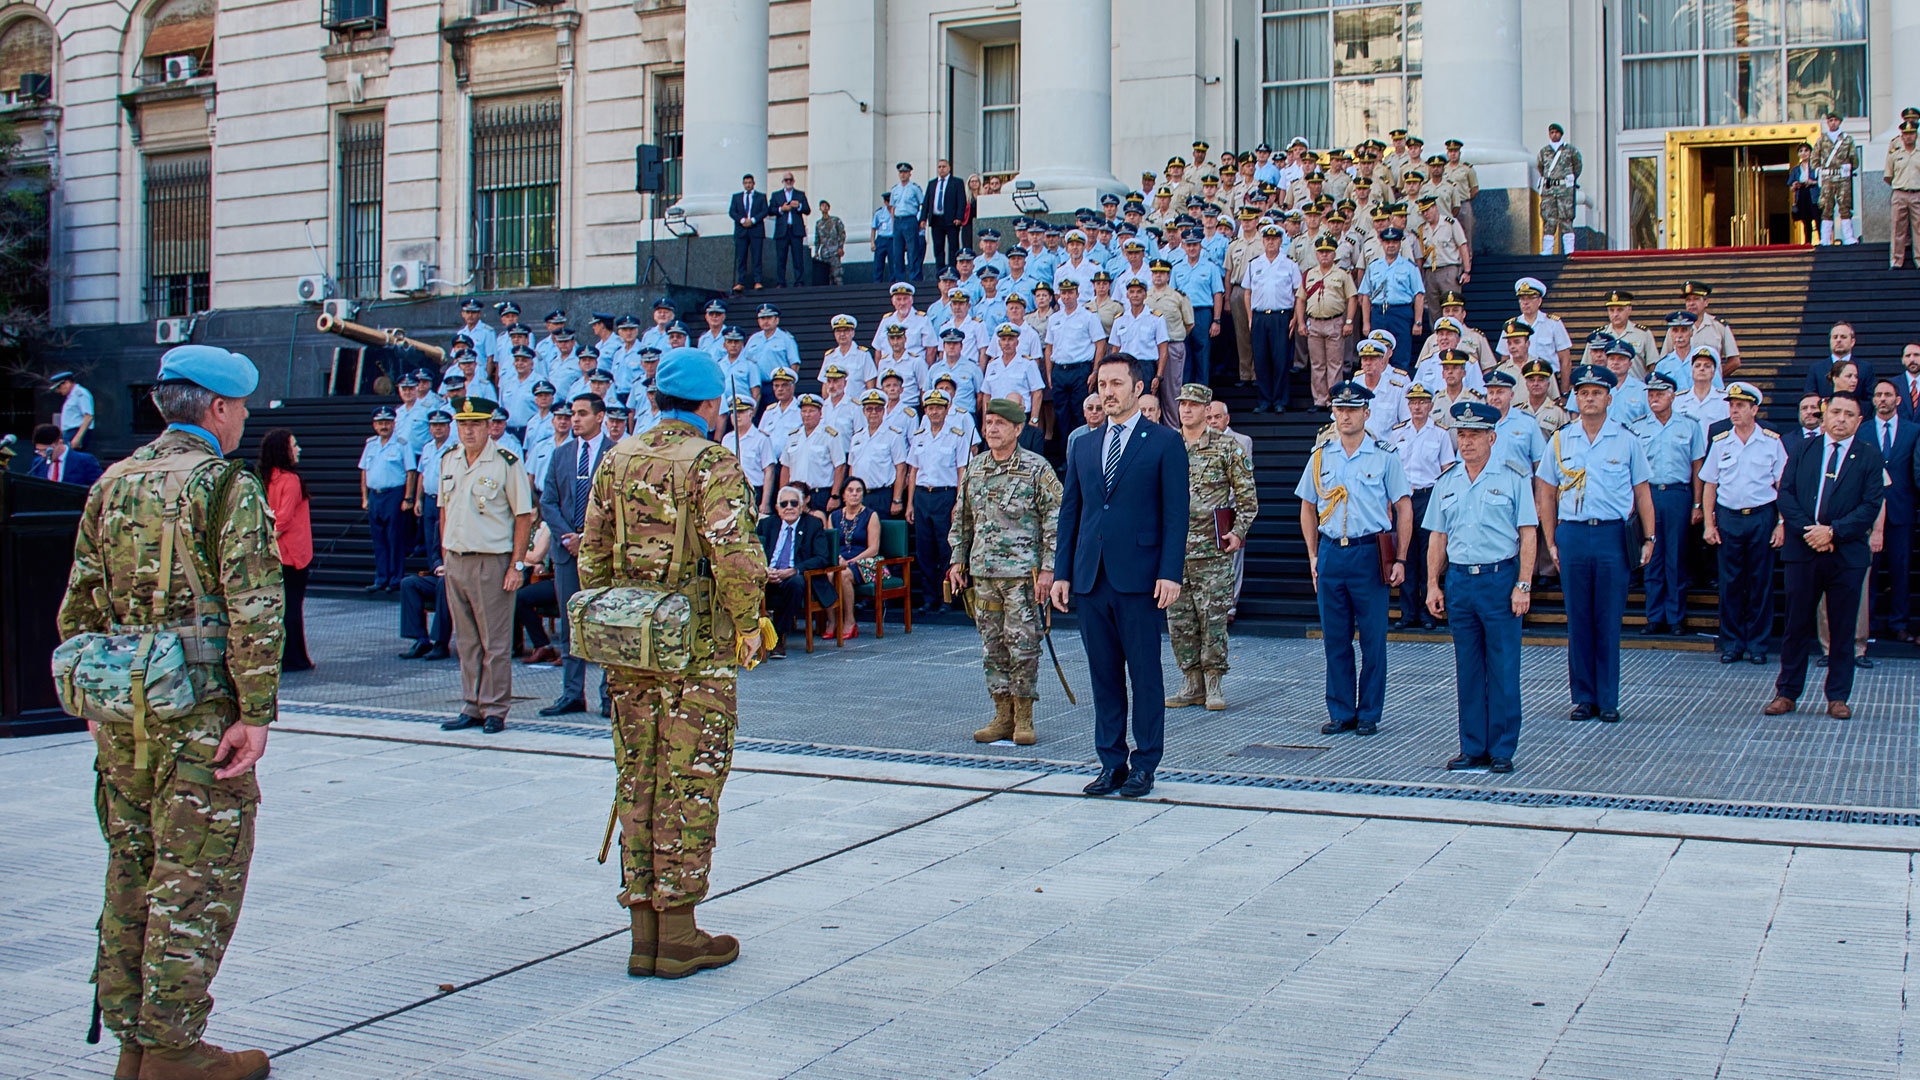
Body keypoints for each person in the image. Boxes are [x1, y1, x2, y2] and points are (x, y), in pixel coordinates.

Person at [56, 343, 280, 1080]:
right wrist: (256, 713)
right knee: (199, 878)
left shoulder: (113, 482)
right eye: (240, 406)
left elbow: (81, 607)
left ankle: (133, 1042)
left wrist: (100, 701)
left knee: (132, 868)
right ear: (216, 408)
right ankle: (174, 1049)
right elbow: (254, 607)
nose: (244, 416)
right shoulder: (225, 488)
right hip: (200, 714)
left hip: (126, 713)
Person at [577, 346, 768, 979]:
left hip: (631, 648)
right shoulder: (712, 463)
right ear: (710, 404)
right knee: (690, 778)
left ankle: (643, 931)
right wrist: (749, 626)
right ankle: (680, 931)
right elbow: (736, 557)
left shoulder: (617, 457)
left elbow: (593, 556)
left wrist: (616, 627)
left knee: (638, 774)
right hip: (697, 652)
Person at [1052, 353, 1189, 799]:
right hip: (1091, 579)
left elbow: (1176, 515)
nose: (1107, 392)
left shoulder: (1165, 442)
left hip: (1141, 579)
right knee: (1103, 675)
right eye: (1102, 384)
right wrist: (1062, 572)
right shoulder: (1084, 444)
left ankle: (1145, 764)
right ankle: (1111, 762)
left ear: (1138, 387)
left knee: (1145, 675)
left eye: (1116, 383)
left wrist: (1170, 572)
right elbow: (1071, 513)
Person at [1535, 366, 1655, 723]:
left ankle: (1608, 698)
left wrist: (1649, 537)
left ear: (1609, 398)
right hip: (1572, 533)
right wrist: (1551, 539)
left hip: (1611, 535)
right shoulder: (1560, 439)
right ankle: (1583, 697)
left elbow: (1642, 492)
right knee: (1579, 618)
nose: (1589, 399)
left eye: (1596, 393)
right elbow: (1546, 492)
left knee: (1608, 618)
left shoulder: (1626, 439)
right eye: (1583, 392)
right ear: (1575, 397)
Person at [1423, 400, 1536, 773]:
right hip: (1460, 581)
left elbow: (1527, 533)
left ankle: (1502, 748)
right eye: (1462, 435)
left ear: (1492, 437)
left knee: (1503, 668)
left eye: (1474, 435)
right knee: (1468, 668)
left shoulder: (1513, 477)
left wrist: (1524, 583)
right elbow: (1438, 537)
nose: (1467, 442)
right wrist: (1432, 585)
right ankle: (1472, 746)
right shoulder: (1448, 481)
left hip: (1499, 578)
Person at [1297, 380, 1413, 738]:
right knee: (1335, 638)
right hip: (1333, 551)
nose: (1345, 415)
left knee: (1373, 639)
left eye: (1352, 409)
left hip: (1369, 553)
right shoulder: (1321, 456)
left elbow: (1404, 508)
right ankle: (1341, 710)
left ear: (1366, 413)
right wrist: (1314, 554)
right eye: (1340, 409)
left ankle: (1369, 712)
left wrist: (1402, 559)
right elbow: (1307, 506)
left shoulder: (1384, 455)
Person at [948, 397, 1061, 745]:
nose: (991, 429)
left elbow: (1056, 519)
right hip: (984, 575)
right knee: (992, 646)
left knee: (1024, 645)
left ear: (1017, 429)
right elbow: (962, 518)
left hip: (1022, 577)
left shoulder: (1036, 468)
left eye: (999, 423)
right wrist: (957, 560)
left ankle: (1024, 716)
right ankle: (1002, 715)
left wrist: (1048, 570)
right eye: (988, 422)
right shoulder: (977, 468)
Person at [1765, 393, 1884, 719]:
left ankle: (1837, 697)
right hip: (1803, 551)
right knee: (1796, 625)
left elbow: (1870, 505)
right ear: (1824, 414)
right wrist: (1811, 531)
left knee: (1842, 628)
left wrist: (1832, 532)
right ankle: (1787, 693)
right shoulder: (1803, 450)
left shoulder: (1870, 457)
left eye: (1849, 414)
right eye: (1836, 412)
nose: (1841, 419)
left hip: (1846, 555)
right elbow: (1785, 493)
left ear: (1859, 421)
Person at [436, 394, 535, 735]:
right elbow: (444, 511)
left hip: (492, 561)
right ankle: (471, 705)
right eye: (463, 425)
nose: (468, 431)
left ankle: (495, 708)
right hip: (457, 559)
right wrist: (445, 554)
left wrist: (516, 566)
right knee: (466, 640)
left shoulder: (506, 463)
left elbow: (524, 516)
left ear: (490, 427)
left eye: (475, 424)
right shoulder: (449, 460)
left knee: (494, 642)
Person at [1165, 384, 1257, 711]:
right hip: (1174, 554)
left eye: (1193, 404)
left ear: (1207, 409)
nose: (1186, 409)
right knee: (1179, 622)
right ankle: (1192, 683)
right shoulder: (1167, 445)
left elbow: (1248, 499)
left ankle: (1214, 683)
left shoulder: (1227, 447)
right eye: (1182, 404)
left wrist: (1237, 532)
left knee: (1213, 621)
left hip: (1213, 553)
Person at [539, 393, 616, 718]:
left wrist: (587, 538)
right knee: (572, 623)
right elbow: (548, 501)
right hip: (567, 552)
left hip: (602, 554)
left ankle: (610, 695)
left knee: (607, 624)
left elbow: (618, 504)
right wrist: (568, 536)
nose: (575, 419)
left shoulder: (616, 454)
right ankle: (572, 693)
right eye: (573, 414)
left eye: (582, 414)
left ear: (600, 417)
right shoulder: (561, 455)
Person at [1629, 373, 1706, 637]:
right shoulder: (1637, 427)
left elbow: (1697, 467)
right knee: (1651, 556)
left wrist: (1697, 503)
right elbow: (1632, 469)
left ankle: (1675, 617)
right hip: (1648, 495)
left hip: (1677, 494)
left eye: (1660, 394)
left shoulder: (1689, 425)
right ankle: (1654, 616)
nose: (1654, 399)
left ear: (1672, 395)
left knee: (1676, 556)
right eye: (1651, 394)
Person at [1388, 383, 1455, 629]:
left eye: (1422, 402)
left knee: (1430, 557)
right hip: (1403, 498)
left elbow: (1447, 470)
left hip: (1429, 497)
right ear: (1408, 405)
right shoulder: (1397, 433)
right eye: (1413, 402)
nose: (1417, 407)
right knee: (1405, 555)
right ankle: (1408, 614)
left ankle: (1428, 613)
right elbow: (1390, 469)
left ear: (1430, 405)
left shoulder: (1440, 433)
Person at [907, 388, 970, 612]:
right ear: (925, 411)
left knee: (946, 548)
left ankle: (948, 598)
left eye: (938, 408)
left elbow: (962, 469)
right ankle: (928, 598)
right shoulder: (919, 436)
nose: (934, 412)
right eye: (930, 408)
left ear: (946, 410)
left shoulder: (956, 435)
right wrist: (909, 504)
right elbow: (913, 471)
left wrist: (959, 502)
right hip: (923, 495)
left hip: (946, 495)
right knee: (924, 550)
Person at [756, 485, 833, 656]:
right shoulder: (766, 525)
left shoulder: (813, 525)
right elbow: (754, 553)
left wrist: (794, 570)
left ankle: (777, 636)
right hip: (768, 576)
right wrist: (765, 571)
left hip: (796, 577)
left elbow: (822, 558)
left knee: (796, 583)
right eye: (784, 504)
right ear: (777, 508)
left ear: (801, 506)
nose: (789, 507)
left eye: (793, 503)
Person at [259, 428, 313, 672]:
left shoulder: (267, 477)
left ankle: (283, 656)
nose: (298, 448)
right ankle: (295, 658)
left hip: (277, 553)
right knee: (292, 606)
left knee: (280, 606)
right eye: (294, 445)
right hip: (292, 553)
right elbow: (284, 518)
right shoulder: (290, 480)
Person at [1867, 380, 1918, 643]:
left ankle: (1899, 623)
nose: (1883, 399)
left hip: (1901, 510)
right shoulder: (1862, 431)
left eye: (1888, 394)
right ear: (1873, 400)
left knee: (1901, 569)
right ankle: (1869, 624)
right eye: (1878, 395)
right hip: (1869, 512)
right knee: (1869, 570)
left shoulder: (1913, 431)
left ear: (1898, 400)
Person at [1241, 223, 1302, 413]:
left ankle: (1280, 400)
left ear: (1280, 241)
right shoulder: (1254, 264)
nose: (1271, 242)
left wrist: (1295, 318)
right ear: (1263, 241)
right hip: (1260, 317)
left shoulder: (1289, 264)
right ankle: (1265, 400)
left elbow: (1299, 292)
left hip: (1282, 316)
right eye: (1267, 239)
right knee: (1261, 359)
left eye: (1274, 239)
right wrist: (1250, 317)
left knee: (1281, 359)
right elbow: (1247, 293)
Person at [1298, 234, 1357, 409]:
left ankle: (1334, 399)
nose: (1325, 255)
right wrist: (1301, 322)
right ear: (1317, 254)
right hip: (1314, 322)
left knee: (1335, 363)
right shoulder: (1309, 274)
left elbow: (1352, 298)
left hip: (1335, 321)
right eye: (1321, 252)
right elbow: (1300, 299)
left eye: (1328, 252)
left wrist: (1349, 321)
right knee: (1317, 364)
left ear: (1334, 254)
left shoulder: (1342, 274)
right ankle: (1319, 399)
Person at [359, 405, 412, 593]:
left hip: (394, 494)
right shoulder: (370, 444)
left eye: (387, 423)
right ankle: (381, 578)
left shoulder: (402, 444)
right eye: (380, 423)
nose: (384, 426)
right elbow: (364, 471)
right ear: (374, 425)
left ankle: (395, 579)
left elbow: (410, 471)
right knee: (379, 539)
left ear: (393, 424)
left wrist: (408, 497)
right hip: (375, 495)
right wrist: (365, 497)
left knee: (394, 538)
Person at [821, 477, 880, 641]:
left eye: (858, 490)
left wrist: (851, 561)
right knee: (828, 575)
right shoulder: (833, 516)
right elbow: (830, 543)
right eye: (850, 490)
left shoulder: (871, 515)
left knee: (844, 574)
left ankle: (849, 620)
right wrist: (838, 558)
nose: (854, 494)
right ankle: (832, 621)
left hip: (865, 561)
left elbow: (873, 549)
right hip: (839, 560)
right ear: (843, 495)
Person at [1358, 227, 1424, 373]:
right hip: (1378, 313)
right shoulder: (1373, 266)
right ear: (1382, 243)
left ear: (1400, 243)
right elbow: (1365, 295)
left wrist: (1418, 321)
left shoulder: (1409, 267)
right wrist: (1366, 322)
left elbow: (1419, 294)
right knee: (1376, 355)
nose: (1391, 245)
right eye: (1387, 242)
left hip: (1401, 313)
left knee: (1401, 356)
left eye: (1394, 241)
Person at [1811, 110, 1859, 246]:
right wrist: (1818, 169)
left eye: (1835, 120)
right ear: (1827, 122)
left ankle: (1848, 237)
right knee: (1826, 207)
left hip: (1842, 177)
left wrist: (1849, 167)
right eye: (1830, 120)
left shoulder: (1847, 139)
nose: (1833, 123)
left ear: (1840, 122)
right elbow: (1814, 157)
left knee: (1845, 205)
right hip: (1827, 177)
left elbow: (1854, 158)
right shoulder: (1822, 140)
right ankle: (1825, 239)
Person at [725, 396, 778, 517]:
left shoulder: (761, 439)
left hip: (753, 492)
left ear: (750, 414)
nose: (736, 416)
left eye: (741, 412)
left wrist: (765, 502)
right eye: (733, 412)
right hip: (731, 492)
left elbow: (769, 471)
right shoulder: (727, 439)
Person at [1536, 122, 1582, 254]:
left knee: (1566, 218)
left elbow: (1577, 166)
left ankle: (1569, 249)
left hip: (1564, 190)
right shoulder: (1544, 151)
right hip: (1549, 190)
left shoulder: (1570, 150)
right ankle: (1547, 249)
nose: (1554, 135)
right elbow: (1540, 167)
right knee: (1548, 218)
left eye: (1556, 132)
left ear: (1561, 134)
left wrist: (1570, 179)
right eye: (1551, 132)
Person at [767, 172, 810, 287]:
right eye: (786, 180)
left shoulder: (800, 195)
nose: (788, 182)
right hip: (782, 231)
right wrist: (781, 209)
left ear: (794, 181)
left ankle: (799, 281)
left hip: (796, 230)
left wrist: (799, 206)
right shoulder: (776, 195)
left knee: (798, 257)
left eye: (790, 179)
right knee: (781, 258)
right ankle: (781, 282)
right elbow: (770, 210)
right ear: (783, 182)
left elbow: (807, 210)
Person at [924, 159, 967, 273]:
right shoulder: (932, 184)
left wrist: (959, 217)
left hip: (951, 220)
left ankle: (953, 271)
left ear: (949, 168)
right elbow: (927, 201)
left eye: (944, 166)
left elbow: (961, 201)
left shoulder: (956, 182)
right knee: (938, 247)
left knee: (953, 246)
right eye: (939, 167)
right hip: (936, 220)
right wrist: (923, 219)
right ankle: (940, 272)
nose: (941, 169)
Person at [729, 173, 769, 291]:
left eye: (750, 183)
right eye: (746, 183)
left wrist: (753, 220)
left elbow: (764, 211)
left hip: (756, 230)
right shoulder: (736, 197)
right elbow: (732, 212)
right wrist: (742, 220)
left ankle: (758, 281)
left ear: (753, 183)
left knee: (757, 257)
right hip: (741, 231)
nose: (748, 185)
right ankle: (740, 282)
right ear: (743, 184)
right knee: (741, 257)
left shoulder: (761, 197)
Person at [1889, 121, 1920, 268]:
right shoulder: (1895, 154)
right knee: (1897, 228)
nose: (1908, 137)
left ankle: (1919, 260)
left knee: (1919, 229)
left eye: (1911, 133)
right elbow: (1888, 175)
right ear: (1902, 136)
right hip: (1899, 193)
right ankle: (1896, 261)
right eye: (1906, 134)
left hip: (1917, 194)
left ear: (1916, 134)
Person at [29, 423, 102, 486]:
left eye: (47, 451)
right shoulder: (38, 464)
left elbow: (98, 487)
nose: (43, 455)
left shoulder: (85, 461)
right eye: (39, 451)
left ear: (59, 442)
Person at [889, 161, 925, 281]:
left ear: (910, 174)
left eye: (905, 172)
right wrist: (893, 224)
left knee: (912, 250)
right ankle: (899, 279)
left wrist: (920, 221)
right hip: (898, 221)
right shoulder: (895, 189)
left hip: (910, 219)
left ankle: (915, 277)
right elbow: (892, 208)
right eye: (901, 173)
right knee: (897, 252)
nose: (903, 175)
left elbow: (922, 205)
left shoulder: (914, 188)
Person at [50, 370, 96, 449]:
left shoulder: (81, 394)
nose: (59, 391)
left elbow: (88, 416)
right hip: (69, 433)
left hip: (76, 432)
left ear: (67, 383)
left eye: (59, 387)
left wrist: (78, 438)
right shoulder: (72, 396)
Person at [1789, 142, 1821, 246]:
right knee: (1805, 220)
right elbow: (1791, 186)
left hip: (1814, 194)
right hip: (1802, 194)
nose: (1804, 153)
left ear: (1811, 152)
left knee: (1817, 218)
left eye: (1806, 150)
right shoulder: (1796, 169)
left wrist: (1812, 182)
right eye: (1801, 151)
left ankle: (1822, 241)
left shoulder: (1815, 167)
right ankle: (1807, 242)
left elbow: (1823, 181)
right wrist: (1794, 185)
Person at [813, 199, 845, 285]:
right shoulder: (818, 223)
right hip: (824, 253)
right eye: (822, 206)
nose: (824, 208)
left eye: (826, 206)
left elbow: (841, 234)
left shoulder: (835, 220)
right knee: (827, 275)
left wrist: (840, 247)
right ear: (820, 208)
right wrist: (816, 252)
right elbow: (817, 238)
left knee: (837, 274)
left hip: (834, 251)